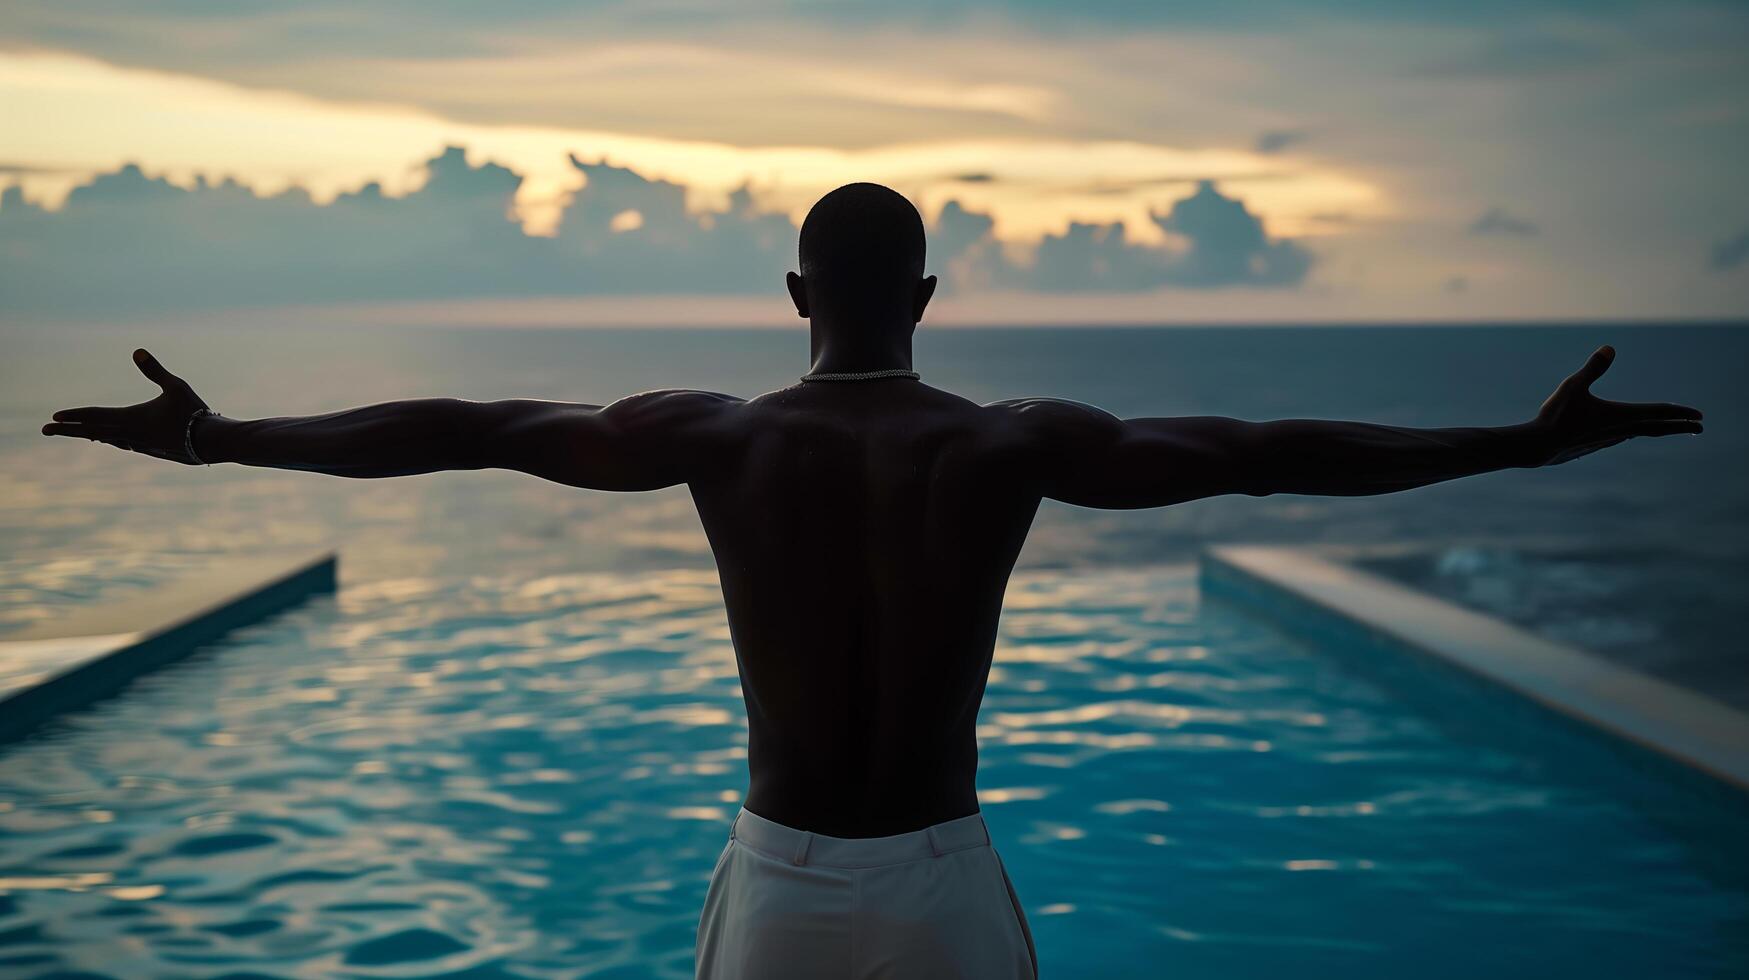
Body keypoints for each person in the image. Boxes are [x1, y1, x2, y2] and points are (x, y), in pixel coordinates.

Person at [43, 183, 1703, 980]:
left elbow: (468, 429)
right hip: (941, 880)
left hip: (777, 883)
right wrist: (1514, 445)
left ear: (792, 294)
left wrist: (221, 441)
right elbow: (1266, 445)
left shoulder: (715, 436)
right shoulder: (1006, 445)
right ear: (925, 290)